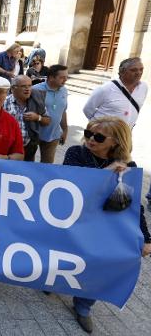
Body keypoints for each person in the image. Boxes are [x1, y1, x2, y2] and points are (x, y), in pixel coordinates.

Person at [62, 117, 151, 333]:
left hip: (101, 227)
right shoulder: (76, 153)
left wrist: (146, 238)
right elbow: (70, 189)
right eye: (88, 133)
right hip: (72, 220)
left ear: (115, 142)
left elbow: (132, 204)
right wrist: (105, 175)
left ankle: (83, 306)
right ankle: (52, 282)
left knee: (102, 263)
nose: (91, 139)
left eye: (99, 137)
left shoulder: (128, 167)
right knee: (61, 254)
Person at [83, 57, 146, 128]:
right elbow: (87, 110)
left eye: (141, 69)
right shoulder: (105, 89)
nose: (139, 73)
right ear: (122, 72)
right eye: (133, 70)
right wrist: (99, 127)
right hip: (102, 135)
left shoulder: (144, 87)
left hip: (124, 135)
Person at [4, 76, 51, 161]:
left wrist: (37, 117)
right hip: (9, 148)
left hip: (29, 147)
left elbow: (47, 121)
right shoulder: (4, 102)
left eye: (29, 86)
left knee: (26, 172)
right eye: (23, 86)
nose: (28, 89)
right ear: (13, 88)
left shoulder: (37, 102)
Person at [33, 65, 68, 163]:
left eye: (66, 77)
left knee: (47, 165)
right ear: (51, 77)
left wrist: (65, 130)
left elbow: (63, 111)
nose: (65, 80)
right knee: (28, 164)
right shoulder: (35, 89)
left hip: (53, 135)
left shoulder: (64, 90)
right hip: (34, 134)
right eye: (62, 77)